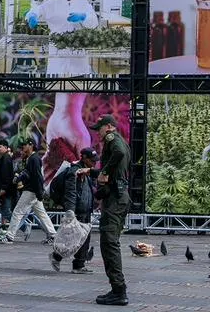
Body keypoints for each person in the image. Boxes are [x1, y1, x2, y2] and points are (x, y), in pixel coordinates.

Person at [77, 114, 130, 306]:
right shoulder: (121, 141)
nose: (97, 133)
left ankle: (119, 290)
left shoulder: (113, 140)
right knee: (109, 242)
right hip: (118, 196)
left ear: (108, 127)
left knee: (109, 243)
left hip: (116, 199)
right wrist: (91, 171)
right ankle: (117, 288)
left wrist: (105, 172)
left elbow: (118, 156)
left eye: (99, 128)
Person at [26, 0, 99, 77]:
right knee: (56, 81)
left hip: (77, 50)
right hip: (57, 50)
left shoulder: (83, 4)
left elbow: (94, 22)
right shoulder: (52, 4)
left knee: (78, 82)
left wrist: (84, 17)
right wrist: (32, 15)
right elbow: (38, 9)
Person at [0, 138, 57, 244]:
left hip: (31, 191)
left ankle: (10, 236)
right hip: (33, 191)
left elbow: (38, 177)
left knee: (17, 212)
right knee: (41, 213)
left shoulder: (34, 159)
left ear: (31, 145)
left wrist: (38, 192)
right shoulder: (32, 158)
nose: (23, 147)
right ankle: (53, 235)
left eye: (24, 145)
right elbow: (33, 175)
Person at [49, 147, 98, 274]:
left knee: (82, 238)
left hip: (85, 209)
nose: (95, 163)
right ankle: (58, 257)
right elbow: (70, 193)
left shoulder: (86, 172)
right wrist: (70, 211)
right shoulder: (74, 172)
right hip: (77, 210)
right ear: (84, 158)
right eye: (92, 160)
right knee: (72, 239)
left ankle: (78, 264)